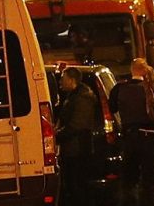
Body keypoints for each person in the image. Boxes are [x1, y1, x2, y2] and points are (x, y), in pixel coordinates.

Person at [109, 58, 154, 206]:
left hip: (129, 139)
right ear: (145, 71)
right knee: (149, 182)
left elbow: (112, 109)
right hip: (150, 140)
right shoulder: (153, 89)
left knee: (128, 180)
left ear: (132, 70)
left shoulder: (119, 88)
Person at [56, 67, 96, 206]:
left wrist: (57, 136)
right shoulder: (73, 96)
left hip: (77, 149)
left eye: (63, 78)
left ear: (72, 80)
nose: (60, 81)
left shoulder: (82, 97)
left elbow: (77, 125)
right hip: (72, 148)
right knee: (73, 185)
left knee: (77, 185)